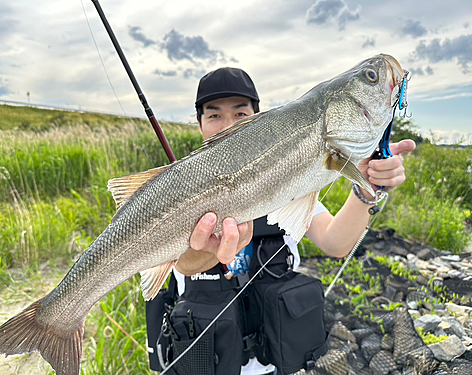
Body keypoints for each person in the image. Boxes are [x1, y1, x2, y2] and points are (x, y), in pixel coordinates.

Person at [152, 67, 416, 375]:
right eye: (214, 116)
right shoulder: (179, 188)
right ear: (199, 124)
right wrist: (211, 249)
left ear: (258, 118)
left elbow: (335, 242)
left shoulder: (291, 182)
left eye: (240, 114)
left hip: (270, 365)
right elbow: (183, 265)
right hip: (205, 362)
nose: (227, 125)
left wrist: (366, 186)